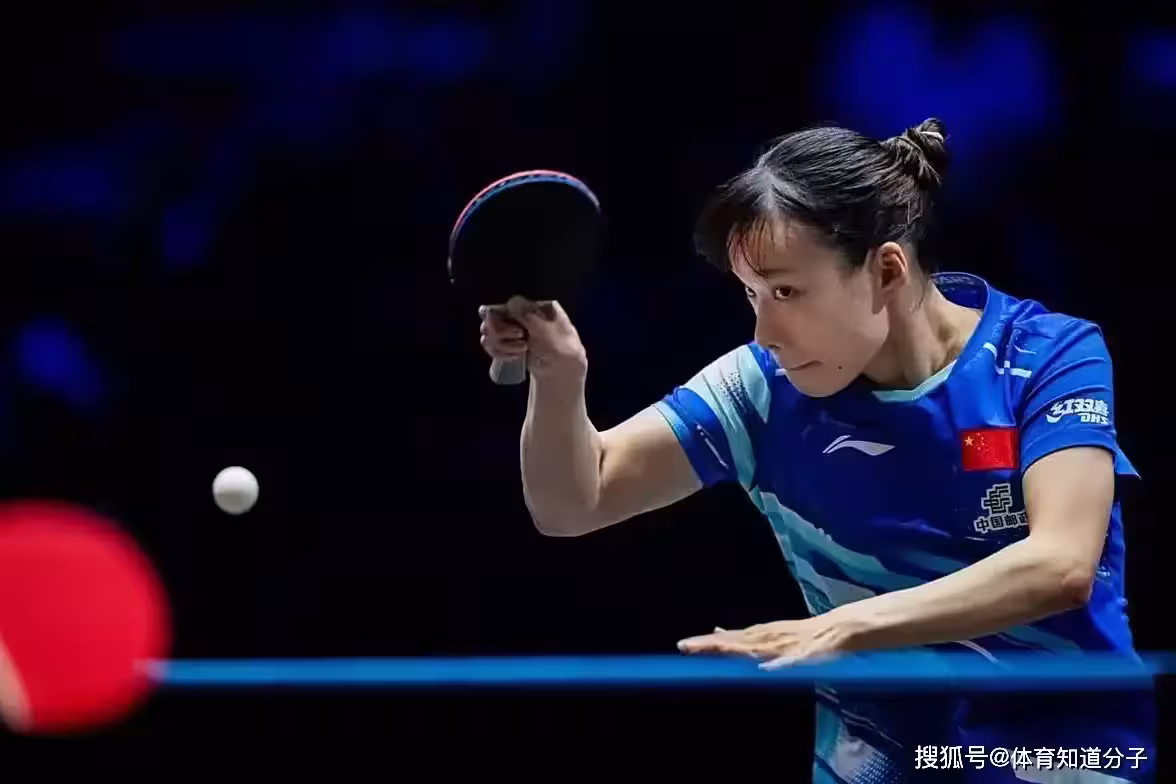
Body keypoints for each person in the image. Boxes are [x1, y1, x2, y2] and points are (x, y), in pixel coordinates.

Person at [477, 118, 1154, 783]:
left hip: (1065, 760)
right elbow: (574, 502)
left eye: (786, 291)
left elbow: (1061, 564)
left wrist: (841, 626)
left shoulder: (1045, 356)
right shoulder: (762, 388)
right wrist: (559, 378)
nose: (764, 330)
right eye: (751, 294)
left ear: (886, 271)